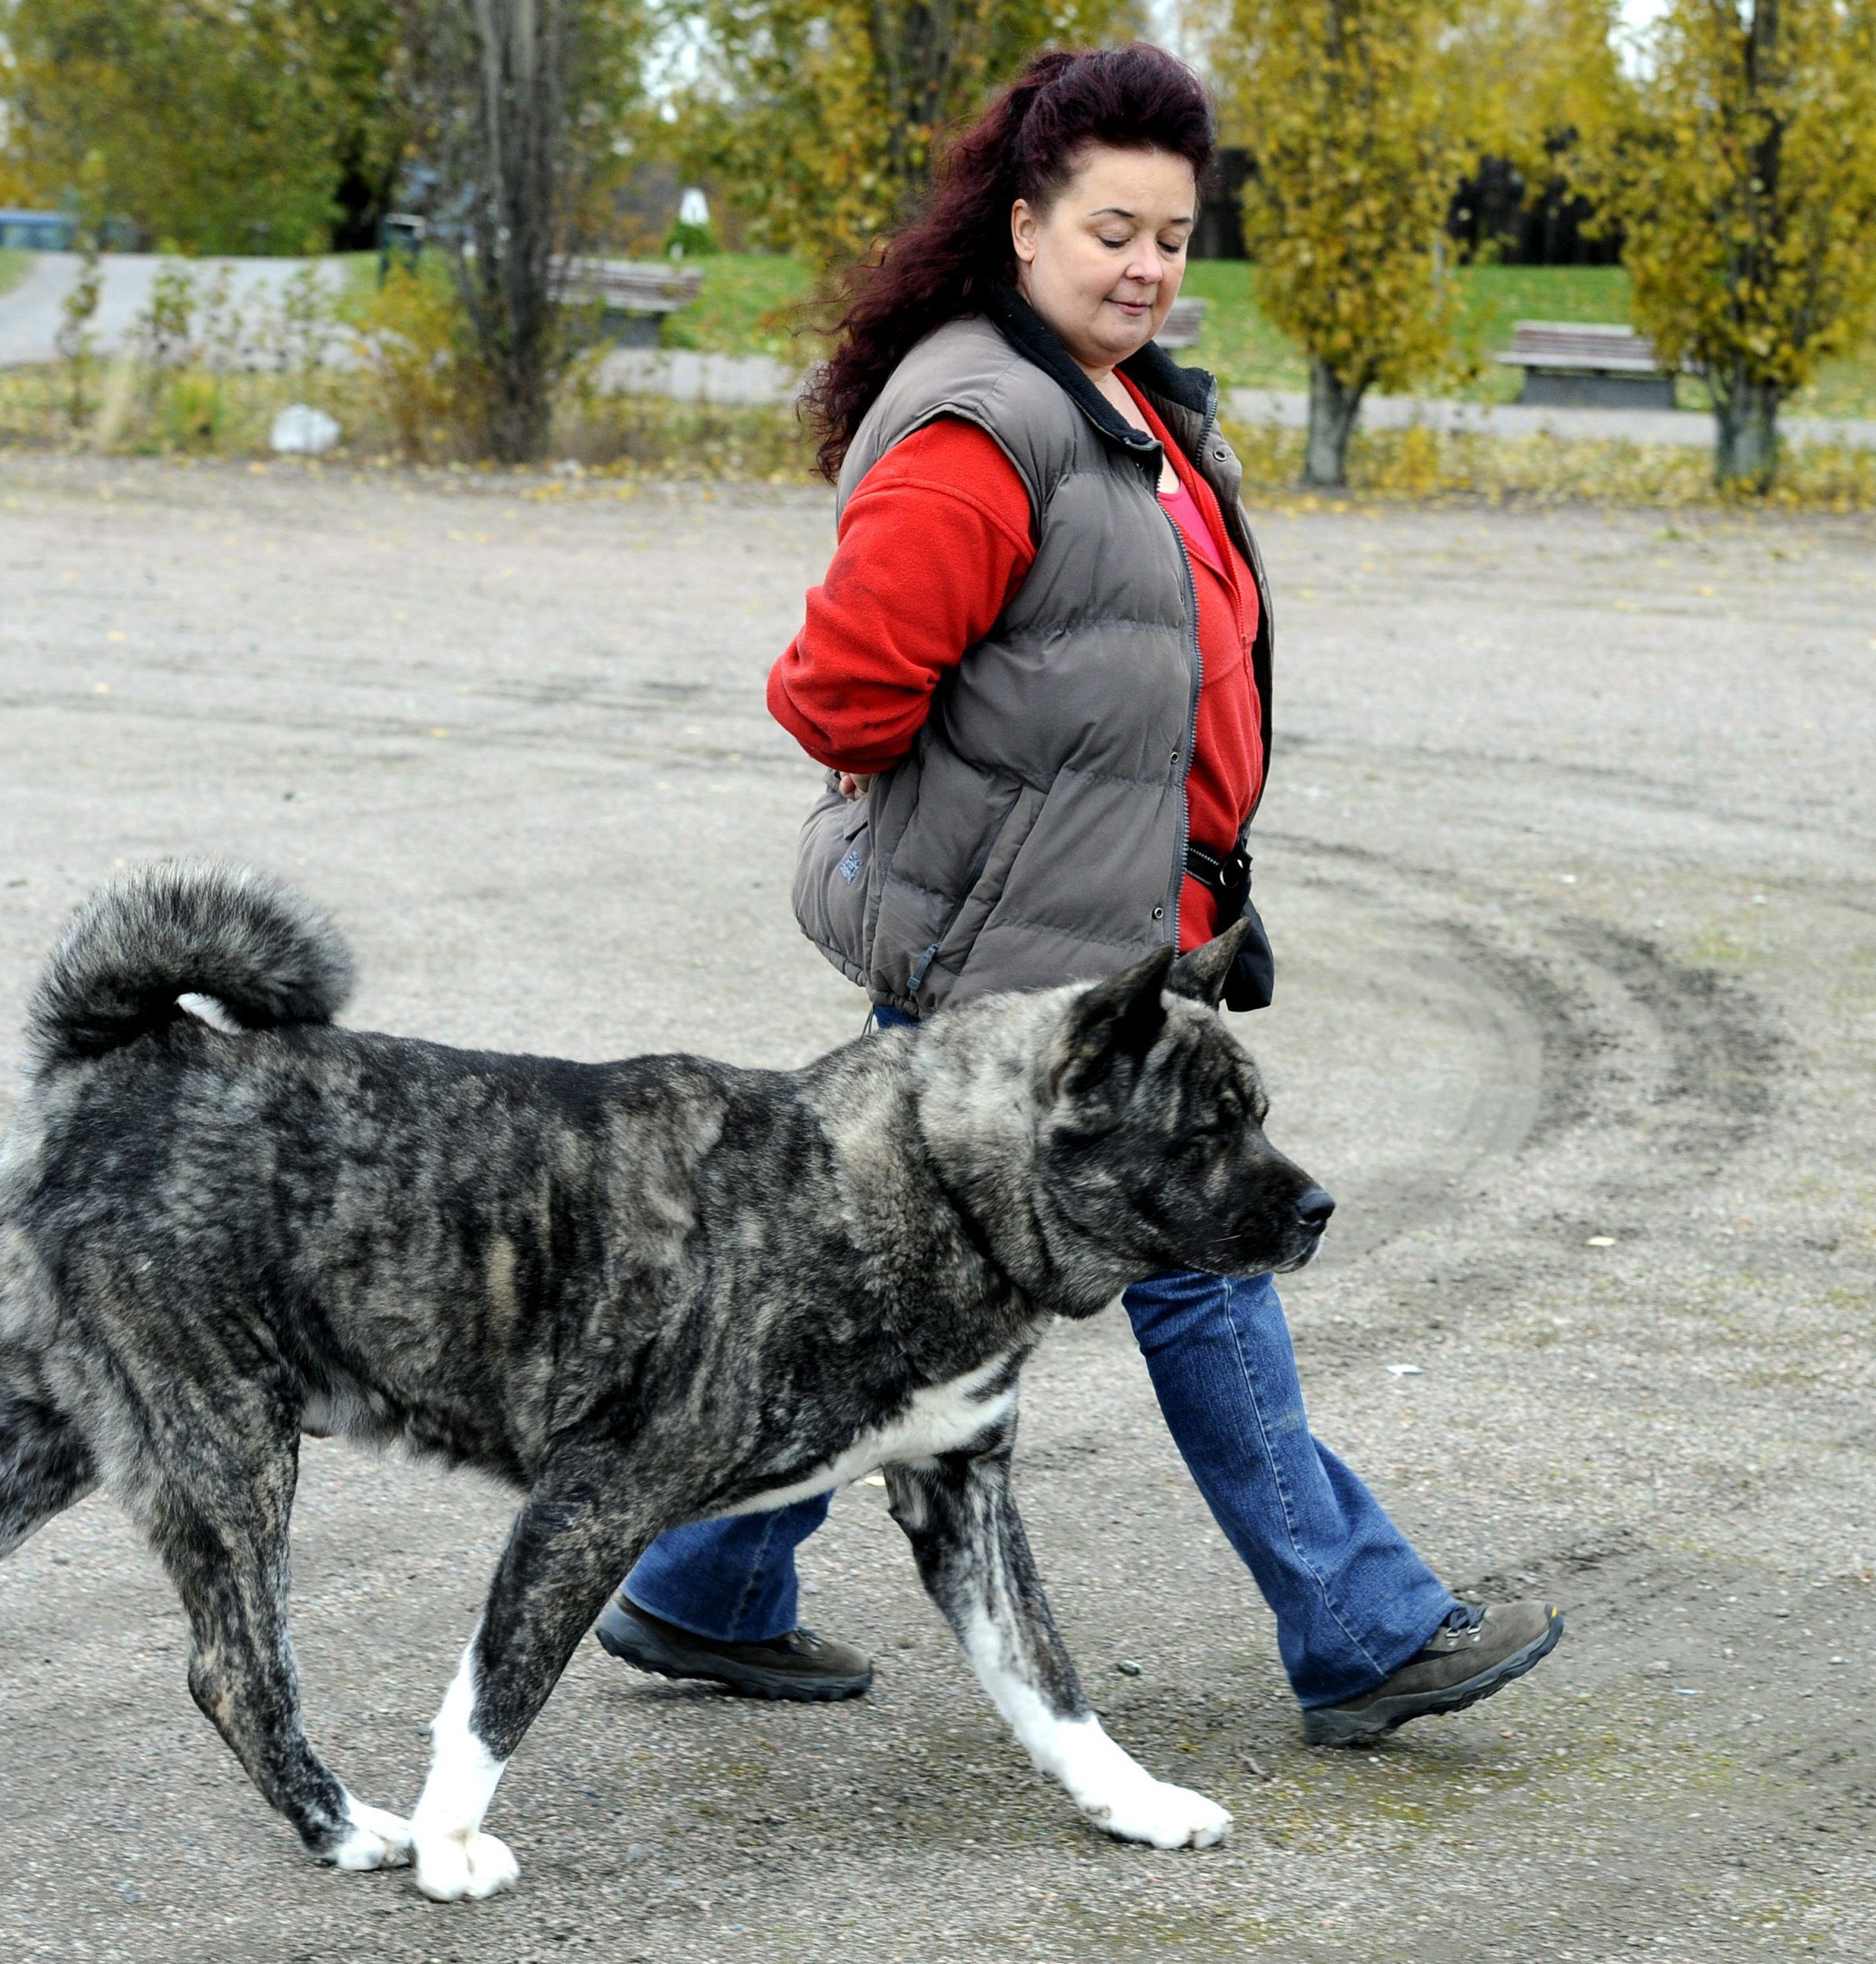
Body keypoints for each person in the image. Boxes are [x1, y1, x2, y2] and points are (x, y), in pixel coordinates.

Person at [594, 43, 1561, 1747]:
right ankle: (1361, 1626)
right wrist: (957, 827)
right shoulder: (986, 420)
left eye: (1174, 238)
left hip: (1118, 956)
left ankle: (704, 1588)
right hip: (1026, 989)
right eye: (1113, 227)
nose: (1145, 266)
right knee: (1195, 1273)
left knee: (875, 1300)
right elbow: (838, 695)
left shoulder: (1124, 400)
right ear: (1024, 220)